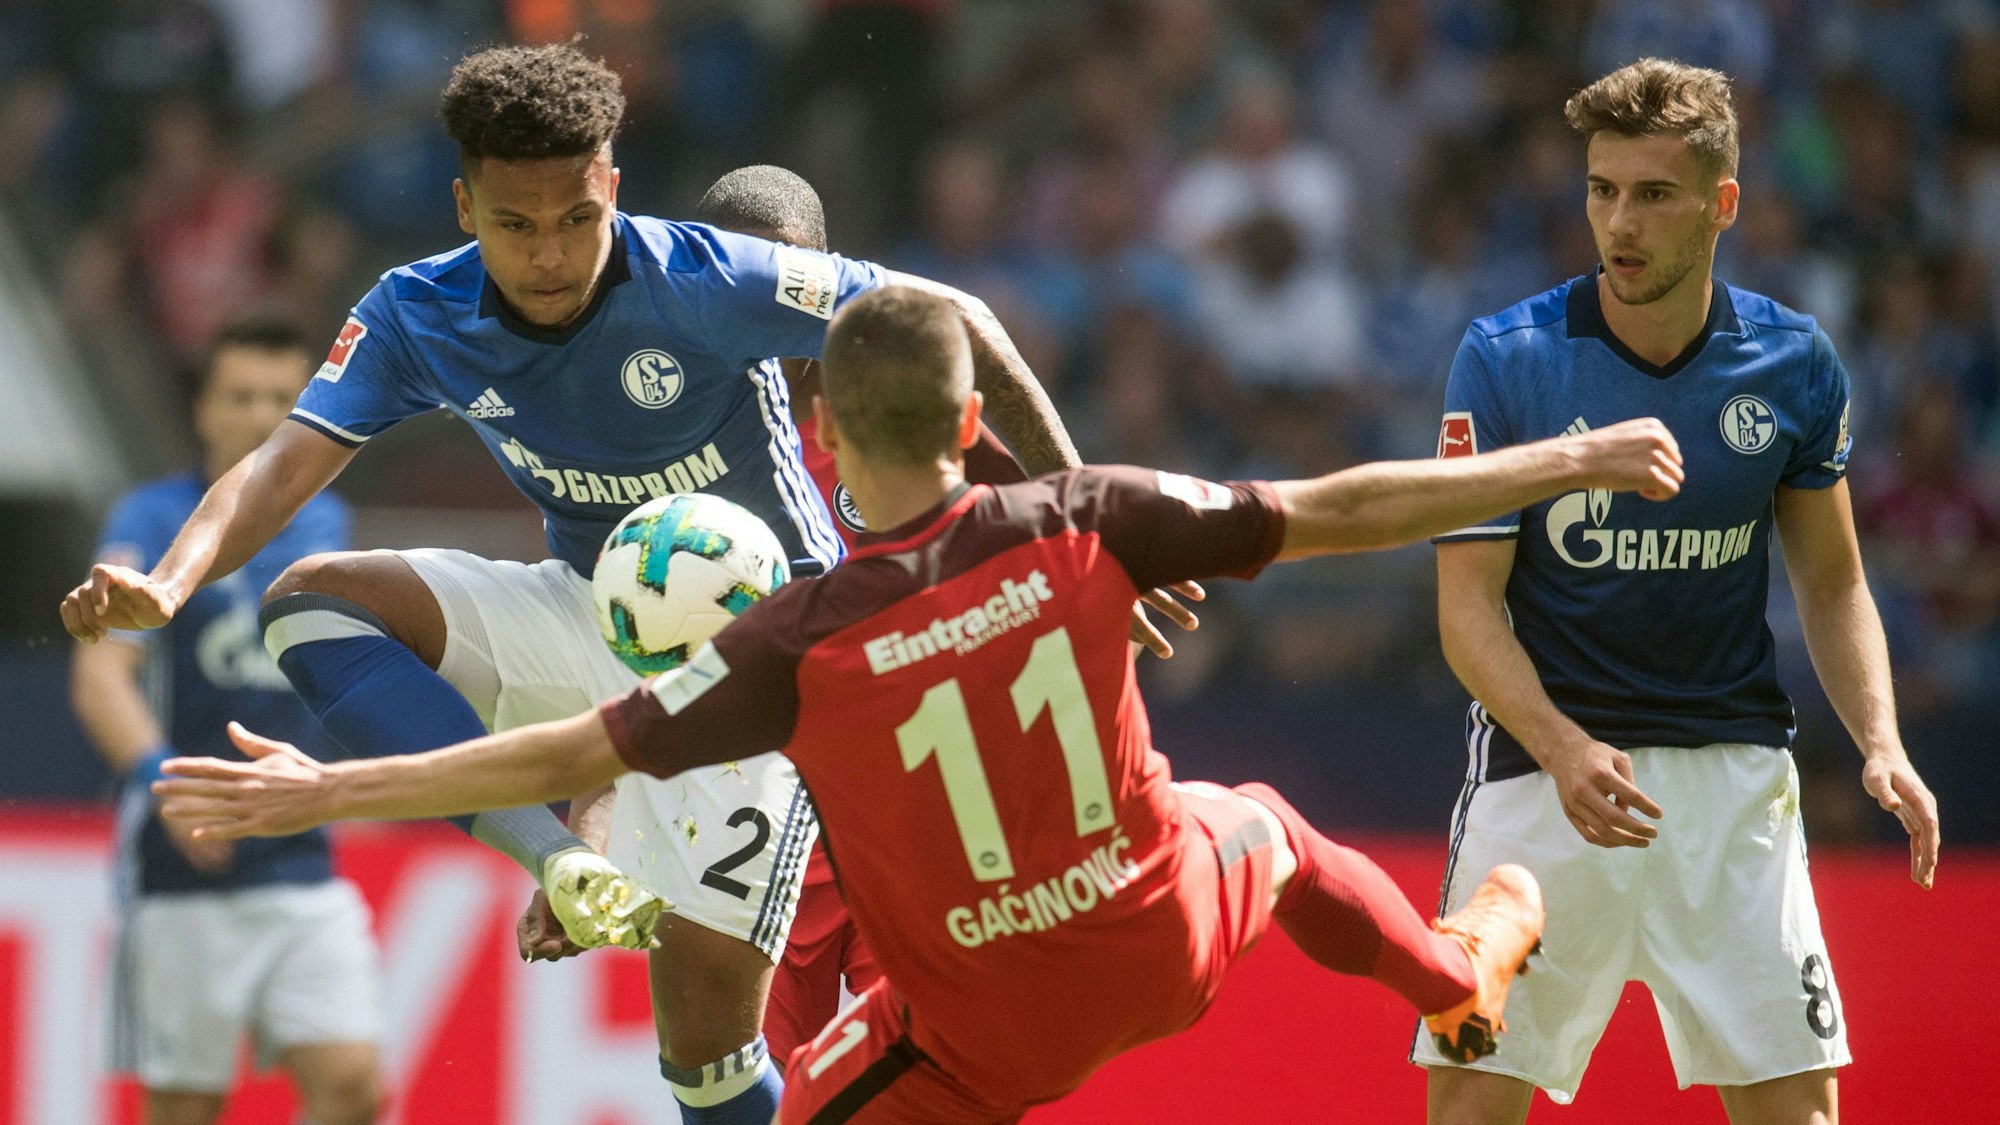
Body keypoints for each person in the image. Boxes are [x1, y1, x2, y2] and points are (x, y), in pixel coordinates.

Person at [154, 286, 1690, 1123]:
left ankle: (1452, 967)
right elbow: (1344, 505)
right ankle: (1450, 973)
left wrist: (317, 793)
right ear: (975, 422)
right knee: (1269, 827)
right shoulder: (1085, 511)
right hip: (1163, 923)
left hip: (982, 1032)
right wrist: (1560, 460)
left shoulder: (793, 643)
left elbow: (566, 748)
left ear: (815, 434)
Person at [58, 43, 1101, 1125]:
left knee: (701, 1048)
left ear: (610, 186)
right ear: (465, 206)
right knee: (310, 604)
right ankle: (552, 860)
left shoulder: (702, 280)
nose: (549, 253)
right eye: (516, 225)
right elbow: (282, 464)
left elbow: (957, 321)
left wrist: (1083, 518)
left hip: (769, 668)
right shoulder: (417, 313)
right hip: (598, 617)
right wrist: (174, 583)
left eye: (574, 217)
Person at [1416, 58, 1941, 1125]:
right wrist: (1562, 749)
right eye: (1601, 190)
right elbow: (1464, 609)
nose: (1620, 221)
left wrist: (1879, 741)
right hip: (1539, 785)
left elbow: (1832, 578)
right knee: (1470, 1107)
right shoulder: (1504, 359)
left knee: (1798, 1114)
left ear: (1721, 204)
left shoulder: (1792, 365)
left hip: (1730, 786)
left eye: (1653, 194)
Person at [509, 164, 1046, 1069]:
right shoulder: (675, 456)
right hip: (747, 840)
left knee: (931, 1084)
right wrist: (586, 833)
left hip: (913, 830)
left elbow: (1041, 542)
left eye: (797, 276)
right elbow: (641, 659)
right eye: (755, 276)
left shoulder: (908, 412)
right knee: (743, 1092)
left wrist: (1104, 555)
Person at [70, 318, 384, 1125]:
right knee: (182, 1108)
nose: (259, 415)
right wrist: (170, 789)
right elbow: (103, 676)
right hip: (185, 868)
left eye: (282, 399)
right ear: (203, 410)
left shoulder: (328, 522)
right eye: (241, 396)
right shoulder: (150, 516)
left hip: (301, 856)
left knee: (353, 1086)